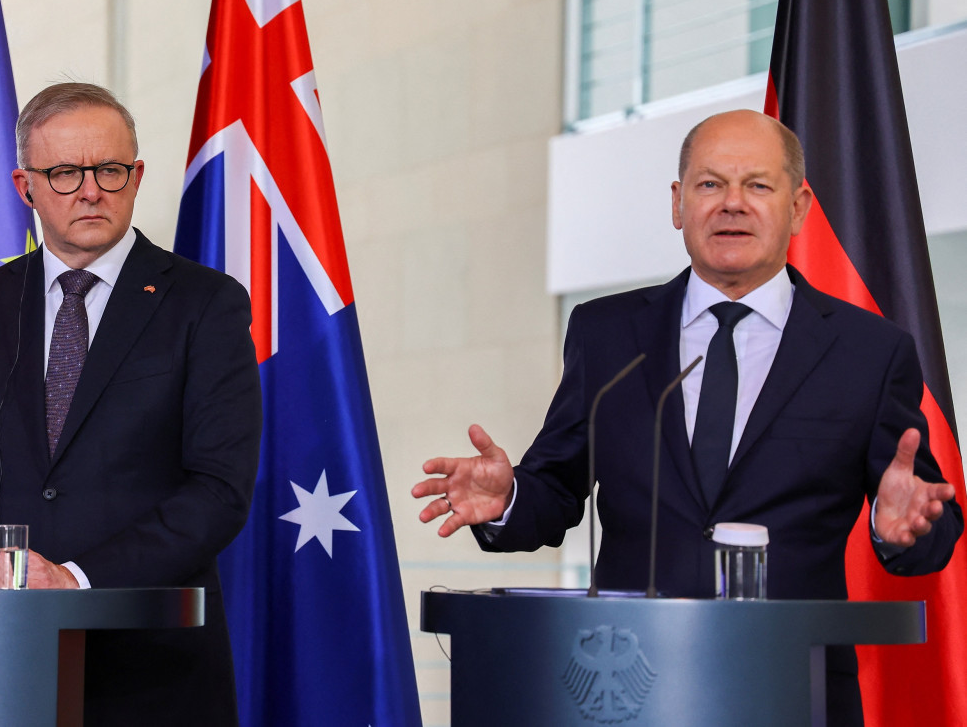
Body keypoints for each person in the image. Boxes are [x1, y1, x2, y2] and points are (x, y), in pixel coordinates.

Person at [412, 109, 962, 726]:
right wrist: (512, 494)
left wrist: (902, 526)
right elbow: (556, 490)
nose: (732, 204)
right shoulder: (607, 335)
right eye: (709, 184)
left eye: (757, 185)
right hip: (629, 691)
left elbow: (930, 527)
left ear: (800, 207)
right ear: (678, 204)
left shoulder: (870, 351)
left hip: (793, 692)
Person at [0, 82, 261, 725]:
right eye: (65, 172)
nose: (90, 190)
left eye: (109, 170)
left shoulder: (205, 304)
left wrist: (73, 579)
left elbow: (218, 489)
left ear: (137, 176)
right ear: (25, 186)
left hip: (153, 672)